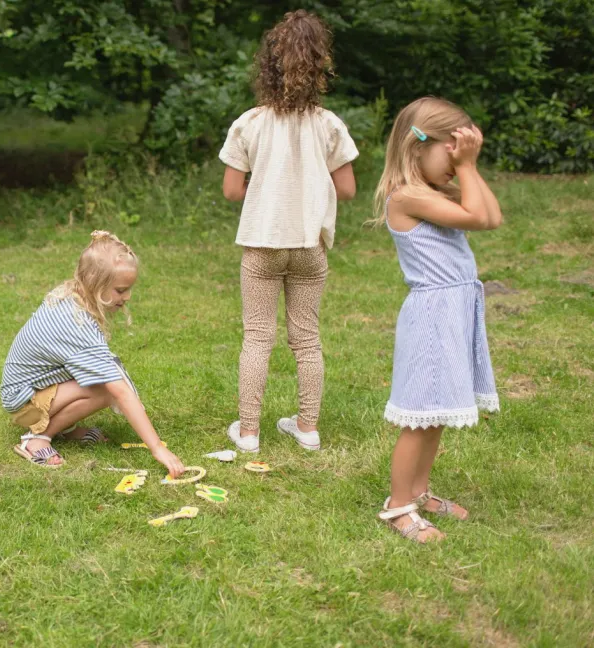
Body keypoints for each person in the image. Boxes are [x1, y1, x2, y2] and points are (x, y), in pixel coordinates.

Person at [219, 10, 358, 454]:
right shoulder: (328, 124)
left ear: (269, 66)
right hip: (309, 246)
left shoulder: (250, 123)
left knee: (258, 337)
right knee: (307, 339)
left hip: (262, 244)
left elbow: (230, 191)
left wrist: (264, 187)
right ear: (320, 66)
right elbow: (349, 189)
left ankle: (249, 432)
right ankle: (308, 427)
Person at [373, 96, 503, 543]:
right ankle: (398, 506)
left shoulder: (432, 192)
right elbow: (477, 218)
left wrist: (467, 166)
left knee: (437, 413)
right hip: (432, 316)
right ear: (416, 147)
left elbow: (492, 216)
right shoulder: (407, 197)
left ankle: (420, 491)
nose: (456, 166)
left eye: (460, 158)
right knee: (419, 417)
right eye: (449, 156)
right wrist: (466, 169)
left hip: (453, 312)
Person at [0, 231, 185, 478]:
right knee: (105, 389)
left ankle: (63, 428)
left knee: (106, 377)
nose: (127, 297)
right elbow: (118, 389)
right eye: (121, 290)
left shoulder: (72, 297)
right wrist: (157, 448)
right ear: (95, 284)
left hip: (34, 388)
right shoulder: (76, 326)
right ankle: (37, 440)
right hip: (22, 403)